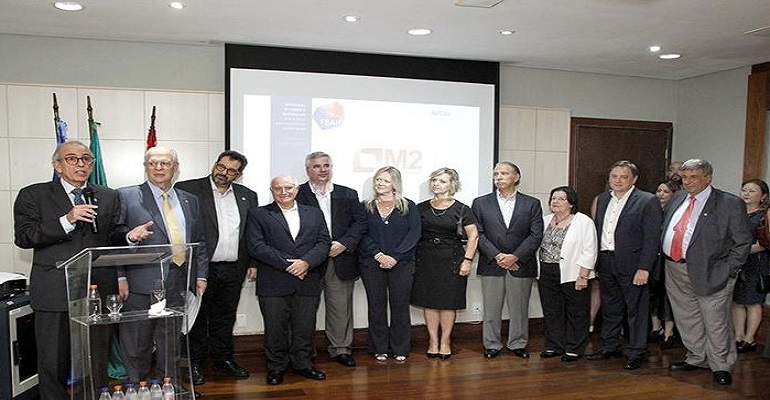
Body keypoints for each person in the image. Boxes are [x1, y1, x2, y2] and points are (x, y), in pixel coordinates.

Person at [13, 141, 150, 400]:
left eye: (86, 159)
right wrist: (67, 220)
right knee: (53, 359)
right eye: (72, 159)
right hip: (54, 289)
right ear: (57, 165)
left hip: (97, 289)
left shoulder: (109, 195)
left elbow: (113, 234)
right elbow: (25, 236)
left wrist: (130, 236)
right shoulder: (33, 194)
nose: (80, 164)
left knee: (95, 358)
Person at [117, 146, 209, 383]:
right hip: (140, 283)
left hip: (178, 280)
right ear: (146, 167)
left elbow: (199, 241)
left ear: (175, 168)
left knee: (170, 340)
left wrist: (201, 275)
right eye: (152, 163)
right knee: (138, 342)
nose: (158, 168)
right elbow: (113, 240)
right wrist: (120, 275)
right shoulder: (125, 196)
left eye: (165, 163)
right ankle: (137, 387)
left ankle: (167, 387)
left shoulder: (190, 200)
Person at [663, 159, 752, 385]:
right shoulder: (678, 197)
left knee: (715, 320)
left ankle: (721, 364)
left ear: (708, 177)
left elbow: (742, 242)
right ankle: (696, 357)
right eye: (684, 177)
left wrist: (729, 270)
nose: (688, 181)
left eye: (694, 177)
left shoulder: (729, 203)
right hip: (675, 268)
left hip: (713, 271)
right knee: (686, 317)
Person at [175, 150, 258, 384]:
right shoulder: (188, 189)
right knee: (197, 317)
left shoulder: (247, 195)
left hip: (234, 268)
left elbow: (251, 232)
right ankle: (193, 362)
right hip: (201, 268)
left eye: (231, 170)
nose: (224, 173)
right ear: (215, 164)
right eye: (221, 167)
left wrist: (252, 262)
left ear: (239, 174)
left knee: (225, 316)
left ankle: (223, 359)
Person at [246, 175, 331, 385]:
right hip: (273, 280)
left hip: (308, 278)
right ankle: (276, 367)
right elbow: (256, 246)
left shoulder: (314, 213)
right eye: (278, 188)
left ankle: (304, 364)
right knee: (275, 328)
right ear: (271, 190)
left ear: (297, 189)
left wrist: (306, 263)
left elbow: (323, 242)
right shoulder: (259, 214)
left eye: (288, 187)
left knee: (305, 326)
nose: (284, 192)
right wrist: (290, 266)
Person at [587, 160, 662, 371]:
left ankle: (637, 351)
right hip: (607, 261)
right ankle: (610, 346)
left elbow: (652, 238)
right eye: (614, 176)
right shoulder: (602, 199)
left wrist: (645, 268)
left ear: (634, 179)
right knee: (610, 307)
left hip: (634, 265)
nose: (618, 180)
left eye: (624, 177)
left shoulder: (647, 201)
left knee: (636, 310)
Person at [296, 152, 367, 367]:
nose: (323, 170)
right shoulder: (296, 193)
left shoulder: (347, 194)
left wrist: (344, 243)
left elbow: (360, 223)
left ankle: (341, 349)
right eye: (317, 166)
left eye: (326, 165)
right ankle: (302, 351)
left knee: (340, 307)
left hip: (341, 258)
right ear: (308, 169)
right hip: (309, 261)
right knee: (304, 309)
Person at [472, 162, 543, 359]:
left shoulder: (532, 203)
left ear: (517, 177)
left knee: (519, 307)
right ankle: (492, 344)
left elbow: (535, 235)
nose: (499, 177)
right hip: (491, 262)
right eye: (496, 174)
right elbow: (478, 234)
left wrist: (515, 256)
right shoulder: (480, 202)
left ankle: (518, 343)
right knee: (491, 308)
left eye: (504, 173)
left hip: (521, 263)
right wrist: (497, 256)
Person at [411, 168, 479, 360]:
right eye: (434, 180)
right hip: (426, 259)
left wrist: (467, 260)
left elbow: (473, 236)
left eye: (441, 181)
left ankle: (445, 342)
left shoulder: (463, 209)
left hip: (453, 259)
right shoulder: (420, 207)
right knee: (429, 302)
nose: (436, 184)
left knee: (448, 303)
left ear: (452, 184)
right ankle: (433, 342)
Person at [359, 166, 421, 362]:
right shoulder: (365, 206)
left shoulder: (408, 206)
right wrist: (378, 255)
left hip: (401, 264)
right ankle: (379, 348)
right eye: (377, 180)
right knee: (376, 306)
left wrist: (394, 256)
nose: (379, 183)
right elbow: (361, 234)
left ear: (395, 184)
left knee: (400, 306)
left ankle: (400, 348)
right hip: (371, 263)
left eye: (385, 180)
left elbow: (413, 235)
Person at [538, 186, 597, 362]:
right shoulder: (545, 220)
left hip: (573, 273)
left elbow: (589, 250)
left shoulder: (583, 221)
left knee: (577, 312)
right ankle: (554, 345)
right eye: (553, 198)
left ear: (571, 203)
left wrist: (583, 275)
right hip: (547, 271)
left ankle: (575, 347)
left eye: (561, 199)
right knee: (551, 311)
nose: (555, 202)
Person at [731, 179, 769, 354]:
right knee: (737, 302)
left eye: (752, 191)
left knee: (753, 302)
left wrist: (740, 250)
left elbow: (765, 243)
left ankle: (750, 339)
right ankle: (738, 337)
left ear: (763, 196)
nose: (746, 193)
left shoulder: (764, 216)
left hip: (757, 262)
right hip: (737, 263)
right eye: (744, 190)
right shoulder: (737, 213)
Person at [650, 180, 681, 349]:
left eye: (666, 191)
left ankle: (669, 331)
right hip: (653, 259)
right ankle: (656, 327)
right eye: (659, 190)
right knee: (653, 293)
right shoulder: (651, 209)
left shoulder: (677, 213)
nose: (661, 194)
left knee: (668, 295)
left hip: (669, 259)